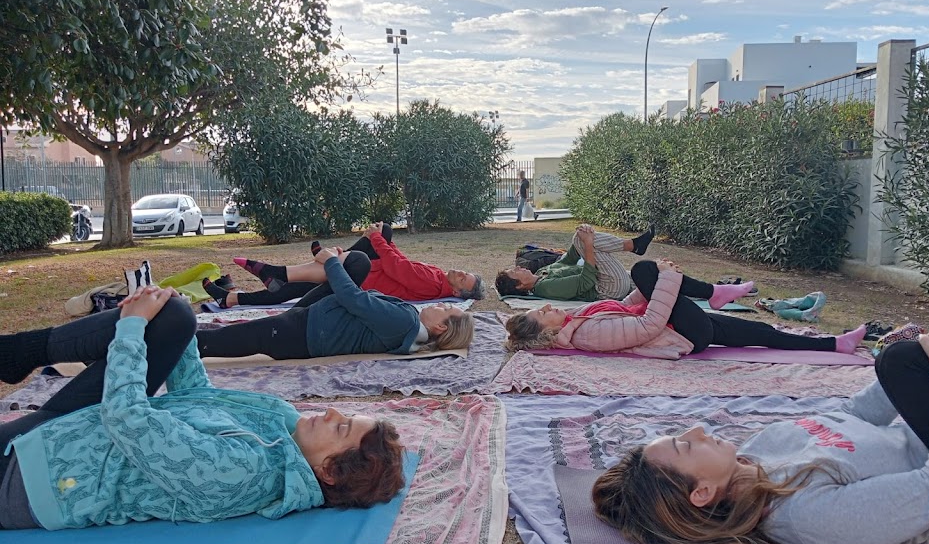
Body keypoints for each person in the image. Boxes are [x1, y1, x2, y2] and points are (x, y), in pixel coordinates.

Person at [591, 330, 929, 544]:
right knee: (906, 362)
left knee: (906, 358)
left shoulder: (760, 450)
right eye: (686, 446)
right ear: (701, 493)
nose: (699, 430)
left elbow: (855, 416)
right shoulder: (806, 519)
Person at [0, 287, 405, 530]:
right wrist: (183, 333)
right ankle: (14, 353)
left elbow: (125, 418)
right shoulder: (282, 429)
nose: (332, 415)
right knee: (174, 318)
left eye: (341, 429)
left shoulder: (241, 472)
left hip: (37, 479)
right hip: (68, 436)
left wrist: (130, 328)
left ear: (329, 472)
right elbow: (199, 400)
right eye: (344, 417)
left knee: (149, 322)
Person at [505, 259, 867, 357]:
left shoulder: (578, 317)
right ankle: (716, 293)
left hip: (681, 325)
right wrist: (666, 280)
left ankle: (835, 345)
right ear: (548, 332)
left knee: (762, 333)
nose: (548, 306)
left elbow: (628, 304)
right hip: (685, 334)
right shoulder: (587, 336)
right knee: (645, 270)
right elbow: (647, 325)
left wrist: (664, 279)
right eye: (542, 312)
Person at [196, 246, 475, 360]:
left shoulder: (405, 323)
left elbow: (353, 298)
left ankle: (168, 339)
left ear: (440, 327)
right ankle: (280, 275)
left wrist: (330, 261)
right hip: (313, 320)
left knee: (217, 340)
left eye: (445, 308)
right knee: (357, 261)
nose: (441, 304)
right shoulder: (409, 326)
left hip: (301, 332)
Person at [210, 222, 483, 307]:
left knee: (301, 285)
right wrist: (380, 238)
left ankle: (329, 257)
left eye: (462, 279)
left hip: (365, 278)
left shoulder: (434, 284)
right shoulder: (438, 276)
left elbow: (395, 267)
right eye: (464, 272)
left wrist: (376, 238)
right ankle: (235, 298)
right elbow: (401, 261)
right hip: (369, 271)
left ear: (457, 293)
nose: (459, 272)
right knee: (298, 285)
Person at [495, 224, 656, 302]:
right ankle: (633, 246)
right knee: (586, 242)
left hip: (609, 281)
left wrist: (584, 233)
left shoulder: (541, 274)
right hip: (610, 289)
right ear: (520, 286)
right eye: (514, 272)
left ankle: (634, 246)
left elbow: (570, 258)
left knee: (579, 237)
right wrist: (587, 244)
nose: (518, 267)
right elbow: (586, 281)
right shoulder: (546, 287)